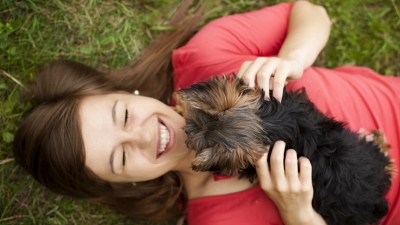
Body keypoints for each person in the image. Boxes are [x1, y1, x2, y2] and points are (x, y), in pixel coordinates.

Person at [12, 1, 400, 225]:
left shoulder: (206, 57)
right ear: (124, 182)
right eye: (122, 156)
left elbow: (310, 11)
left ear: (127, 93)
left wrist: (292, 58)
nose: (144, 135)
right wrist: (298, 213)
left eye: (124, 116)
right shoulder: (217, 220)